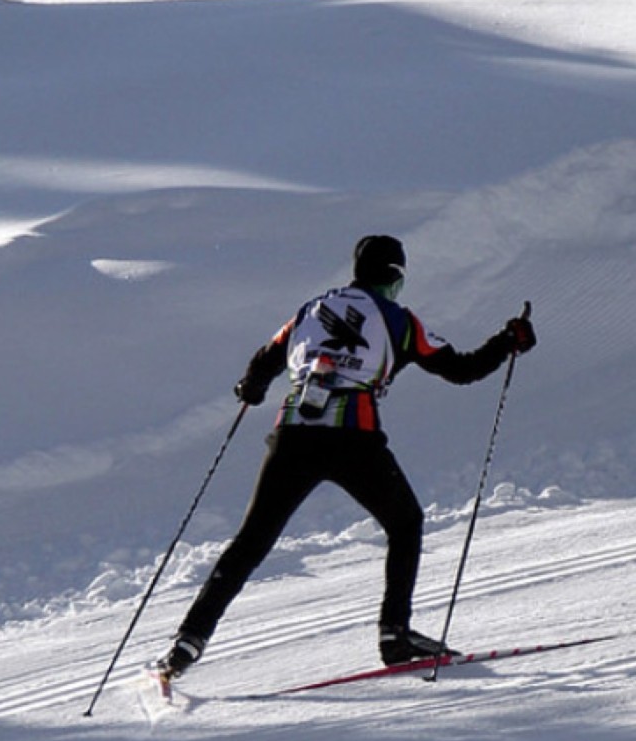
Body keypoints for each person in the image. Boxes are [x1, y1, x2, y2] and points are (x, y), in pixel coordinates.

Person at [153, 234, 535, 681]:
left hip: (294, 433)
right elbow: (462, 370)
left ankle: (188, 641)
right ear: (394, 276)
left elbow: (262, 365)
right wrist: (509, 340)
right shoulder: (400, 321)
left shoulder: (310, 310)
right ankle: (395, 636)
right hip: (354, 436)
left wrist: (251, 389)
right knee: (405, 523)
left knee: (250, 543)